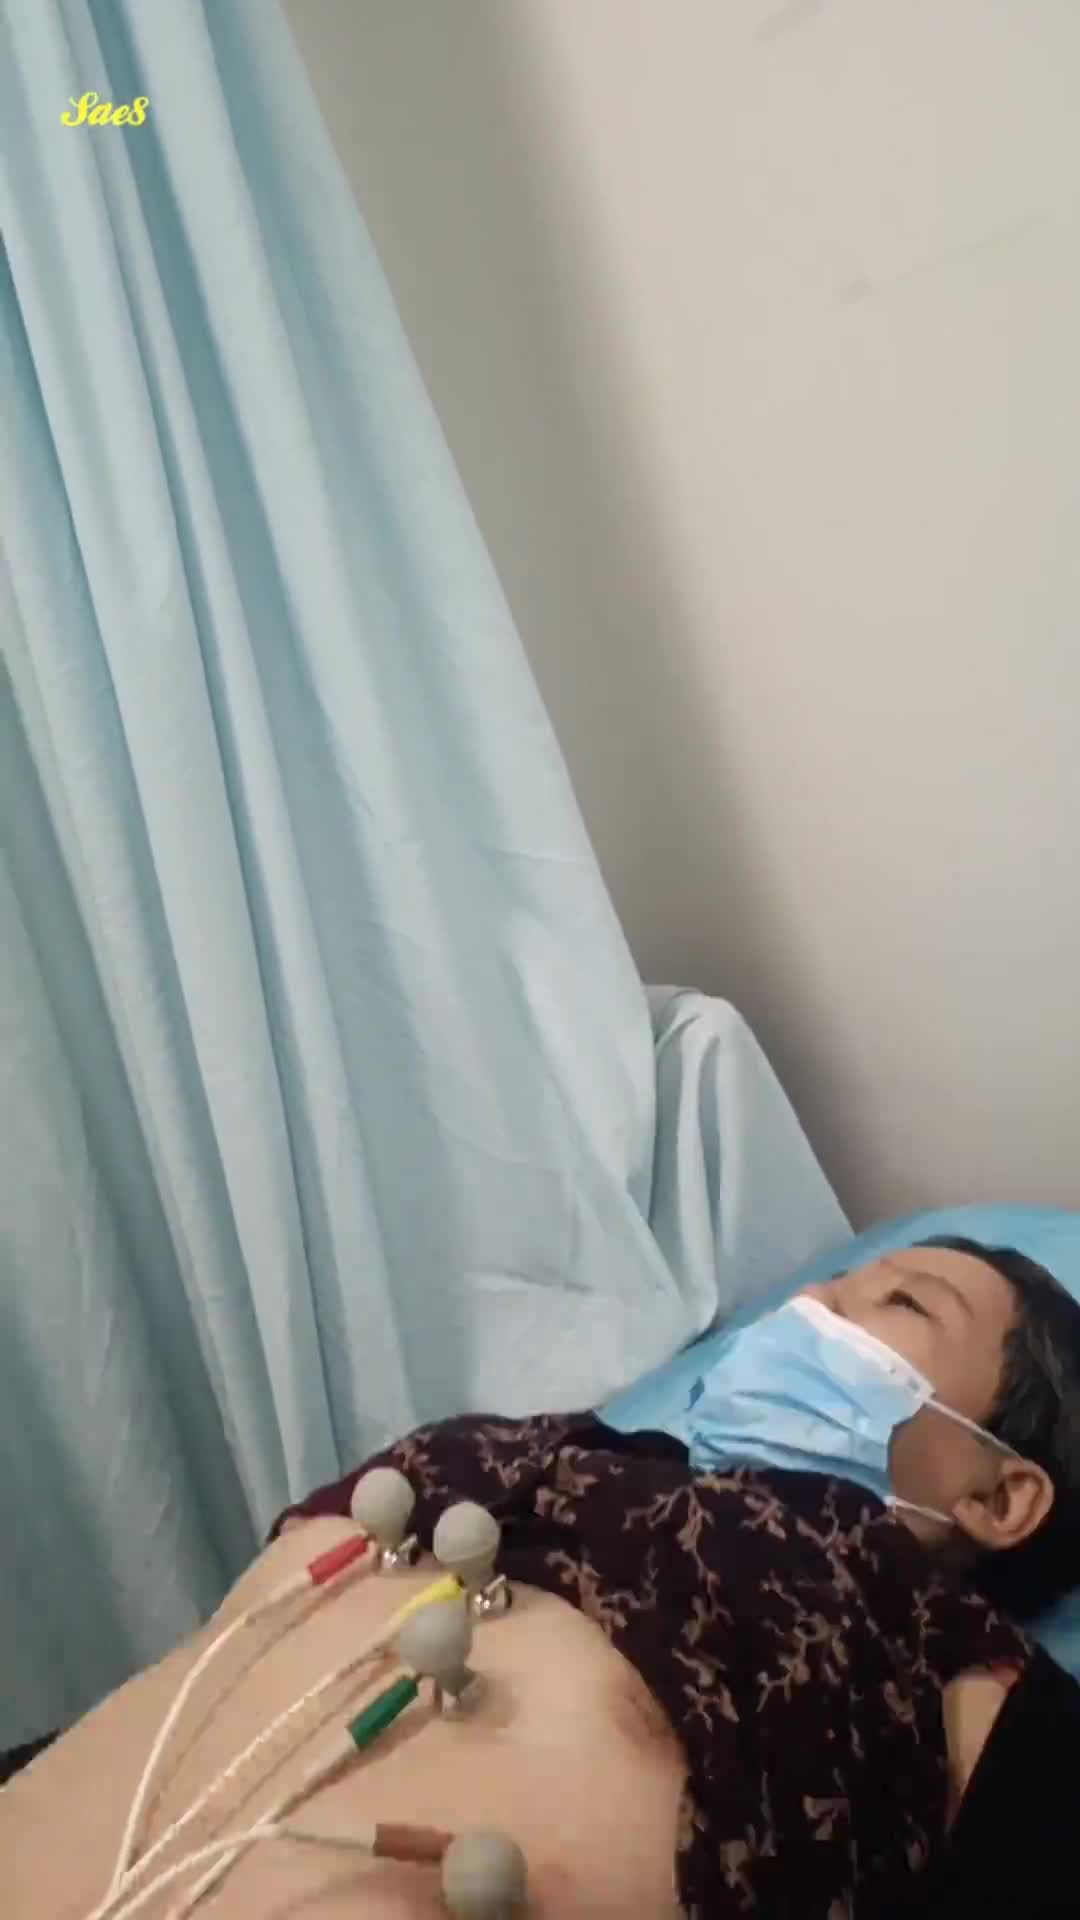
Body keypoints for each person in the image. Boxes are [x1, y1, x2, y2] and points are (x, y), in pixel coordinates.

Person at [4, 1237, 1080, 1919]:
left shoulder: (937, 1663)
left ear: (1000, 1498)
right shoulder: (518, 1448)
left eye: (903, 1303)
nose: (807, 1309)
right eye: (822, 1288)